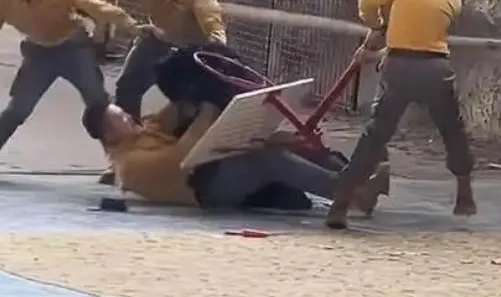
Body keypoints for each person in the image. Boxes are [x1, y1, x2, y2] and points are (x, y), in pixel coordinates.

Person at [80, 49, 389, 212]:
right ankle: (356, 195)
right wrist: (209, 110)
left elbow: (174, 111)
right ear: (108, 134)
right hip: (205, 190)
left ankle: (354, 177)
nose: (128, 117)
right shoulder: (130, 164)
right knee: (268, 159)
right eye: (119, 117)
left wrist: (198, 81)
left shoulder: (142, 131)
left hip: (211, 167)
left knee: (286, 140)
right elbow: (180, 157)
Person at [325, 0, 476, 230]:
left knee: (375, 136)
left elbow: (367, 1)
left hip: (399, 65)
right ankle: (464, 192)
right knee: (452, 130)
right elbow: (425, 34)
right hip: (436, 68)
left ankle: (340, 204)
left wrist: (377, 23)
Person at [0, 0, 149, 151]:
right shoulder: (4, 0)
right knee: (17, 110)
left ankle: (121, 158)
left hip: (74, 50)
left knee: (99, 105)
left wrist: (131, 25)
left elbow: (96, 6)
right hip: (38, 54)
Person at [79, 0, 226, 121]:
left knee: (188, 104)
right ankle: (131, 142)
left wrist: (216, 49)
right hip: (157, 38)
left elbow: (215, 30)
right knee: (127, 88)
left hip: (190, 51)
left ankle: (180, 145)